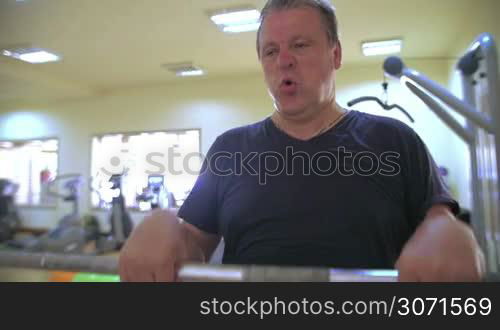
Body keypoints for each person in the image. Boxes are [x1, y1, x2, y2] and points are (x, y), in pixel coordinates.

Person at [118, 0, 485, 282]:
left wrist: (452, 232)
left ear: (335, 54)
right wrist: (162, 225)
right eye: (271, 51)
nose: (284, 62)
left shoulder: (394, 140)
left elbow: (441, 226)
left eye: (300, 45)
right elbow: (193, 244)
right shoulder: (230, 149)